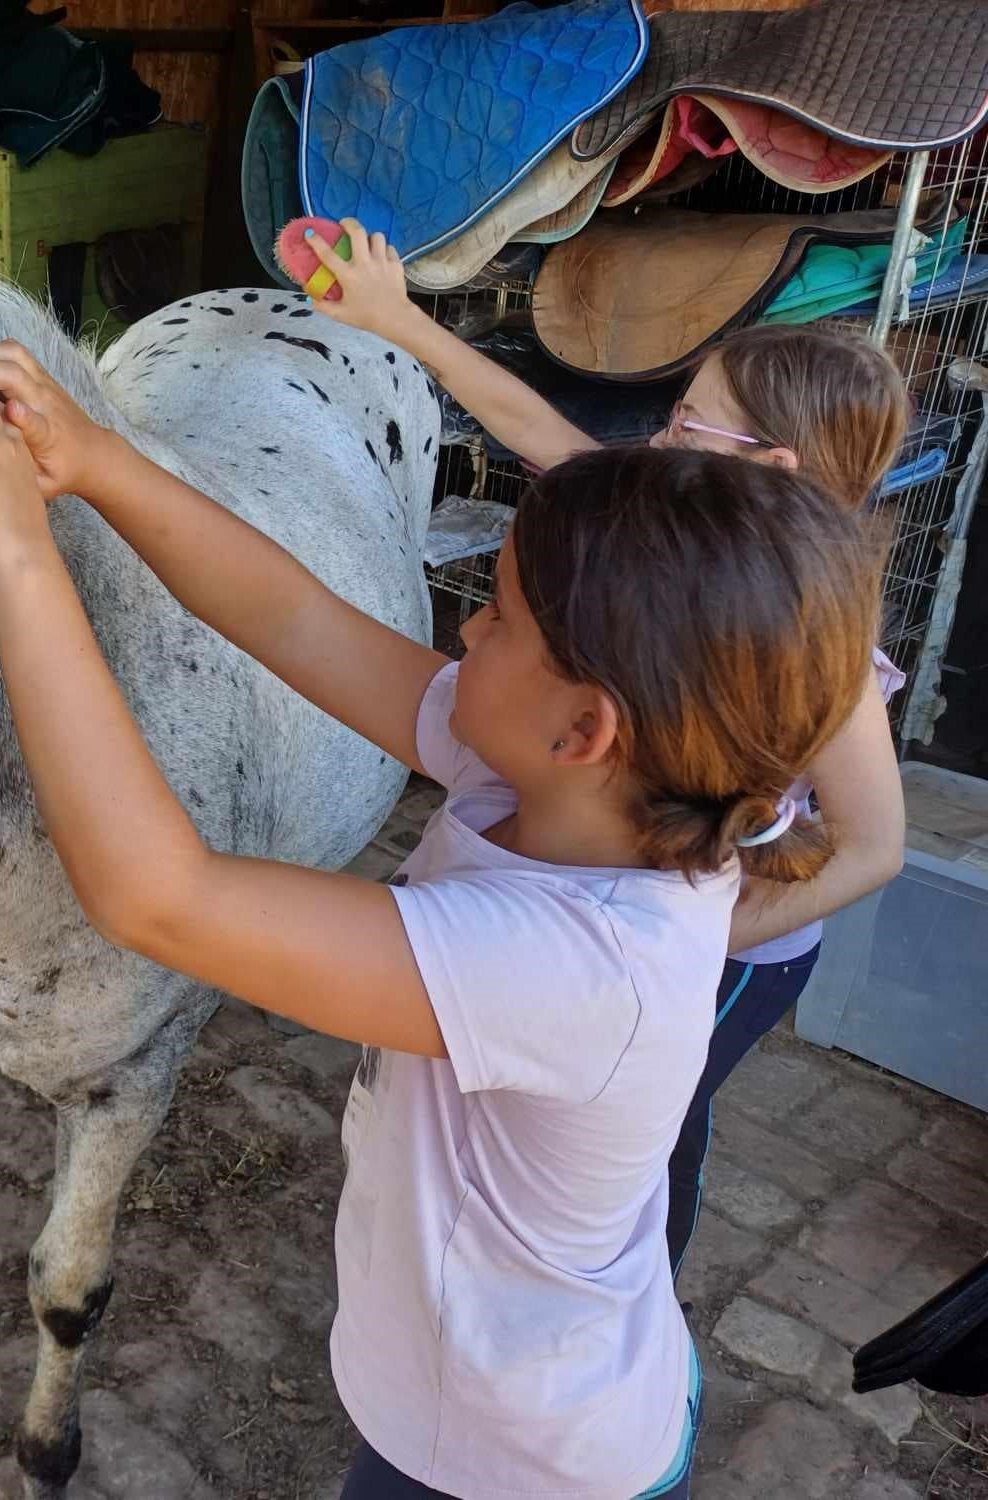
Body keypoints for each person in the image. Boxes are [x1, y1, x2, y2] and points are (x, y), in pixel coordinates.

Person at [0, 350, 881, 1499]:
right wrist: (96, 464)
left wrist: (21, 557)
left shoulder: (579, 965)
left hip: (514, 1464)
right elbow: (297, 621)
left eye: (500, 619)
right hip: (480, 1403)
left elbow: (153, 895)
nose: (466, 635)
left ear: (584, 729)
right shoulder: (557, 790)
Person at [310, 220, 912, 1272]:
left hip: (731, 949)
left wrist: (696, 942)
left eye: (688, 424)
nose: (660, 440)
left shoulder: (832, 653)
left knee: (652, 1132)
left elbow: (873, 848)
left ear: (768, 469)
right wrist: (394, 318)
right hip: (638, 924)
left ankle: (614, 1294)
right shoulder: (693, 541)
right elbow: (536, 434)